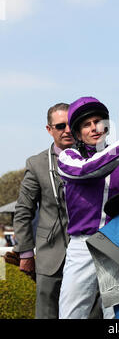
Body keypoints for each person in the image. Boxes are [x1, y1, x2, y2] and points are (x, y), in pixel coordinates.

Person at [57, 96, 119, 319]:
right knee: (71, 314)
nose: (94, 128)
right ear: (78, 133)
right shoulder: (68, 157)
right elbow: (87, 170)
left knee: (118, 316)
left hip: (116, 247)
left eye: (98, 122)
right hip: (82, 247)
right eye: (87, 124)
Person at [13, 103, 74, 319]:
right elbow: (23, 211)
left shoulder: (95, 159)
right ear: (49, 130)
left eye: (71, 123)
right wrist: (26, 253)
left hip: (89, 256)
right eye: (60, 126)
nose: (67, 129)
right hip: (51, 258)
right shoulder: (37, 164)